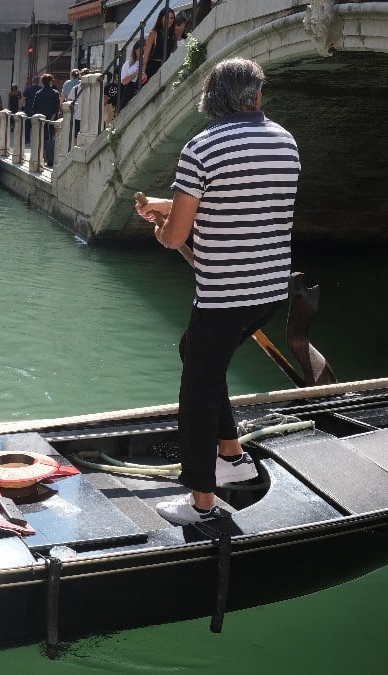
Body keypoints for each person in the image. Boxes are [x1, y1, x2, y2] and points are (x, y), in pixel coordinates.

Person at [135, 58, 299, 525]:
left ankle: (201, 501)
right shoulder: (286, 141)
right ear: (257, 96)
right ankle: (232, 456)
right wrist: (170, 208)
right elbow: (235, 201)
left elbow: (176, 235)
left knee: (198, 389)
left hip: (225, 293)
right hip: (268, 291)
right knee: (199, 353)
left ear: (211, 98)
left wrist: (164, 227)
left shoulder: (202, 148)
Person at [31, 73, 61, 167]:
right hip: (50, 120)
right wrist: (52, 117)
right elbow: (56, 108)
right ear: (50, 82)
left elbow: (34, 107)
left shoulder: (38, 93)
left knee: (40, 138)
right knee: (50, 139)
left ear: (43, 82)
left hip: (39, 119)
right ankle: (50, 159)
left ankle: (40, 158)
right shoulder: (55, 93)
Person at [143, 8, 178, 81]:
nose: (170, 21)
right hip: (152, 67)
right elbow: (146, 54)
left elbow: (175, 51)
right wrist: (142, 71)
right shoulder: (154, 33)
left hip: (166, 67)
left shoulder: (172, 34)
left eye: (172, 18)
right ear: (161, 18)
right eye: (167, 18)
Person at [119, 42, 143, 112]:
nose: (142, 52)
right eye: (140, 50)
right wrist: (135, 73)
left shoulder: (146, 62)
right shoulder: (128, 64)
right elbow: (123, 81)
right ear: (135, 51)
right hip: (129, 89)